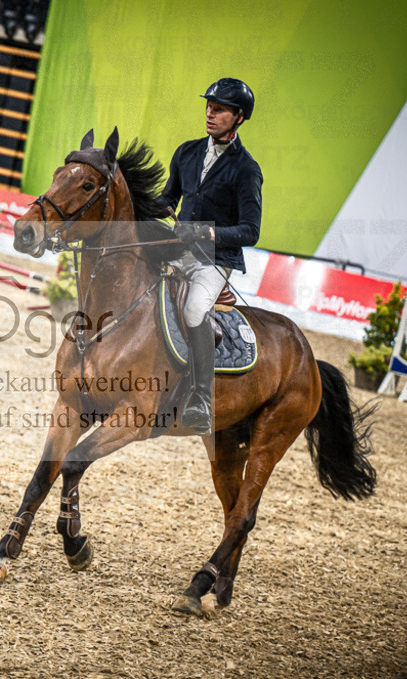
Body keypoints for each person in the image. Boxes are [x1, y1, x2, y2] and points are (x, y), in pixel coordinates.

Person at [159, 77, 262, 435]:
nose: (210, 113)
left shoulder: (246, 169)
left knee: (194, 309)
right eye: (209, 106)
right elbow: (168, 198)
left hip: (215, 259)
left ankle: (201, 397)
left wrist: (208, 232)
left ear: (239, 117)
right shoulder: (187, 151)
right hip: (179, 249)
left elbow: (251, 231)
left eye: (219, 109)